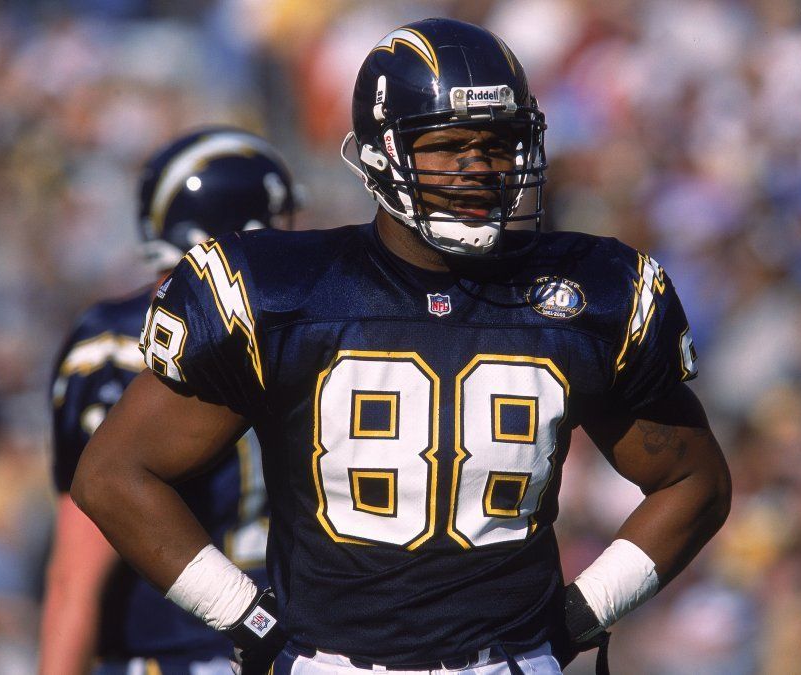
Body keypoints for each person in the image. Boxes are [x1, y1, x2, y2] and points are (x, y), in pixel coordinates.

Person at [72, 18, 731, 675]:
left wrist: (582, 612)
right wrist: (248, 615)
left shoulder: (585, 292)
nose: (479, 168)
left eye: (498, 143)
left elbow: (691, 480)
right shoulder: (283, 292)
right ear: (379, 155)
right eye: (448, 145)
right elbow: (114, 475)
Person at [41, 126, 299, 675]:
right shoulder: (307, 326)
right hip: (280, 645)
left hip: (188, 647)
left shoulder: (115, 340)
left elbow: (74, 578)